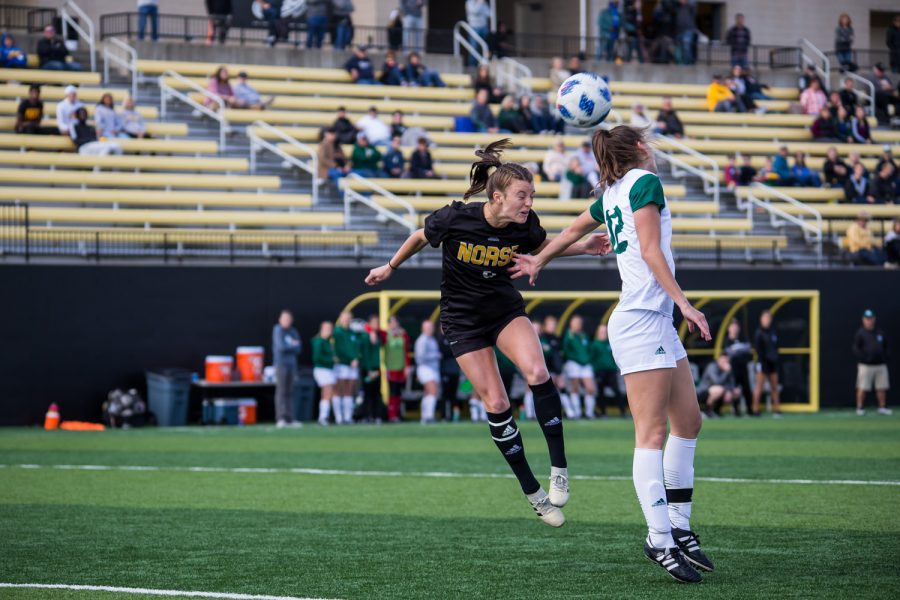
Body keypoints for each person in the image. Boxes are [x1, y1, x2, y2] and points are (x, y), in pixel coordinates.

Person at [365, 139, 613, 527]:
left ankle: (559, 467)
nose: (529, 203)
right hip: (462, 319)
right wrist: (390, 267)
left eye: (532, 195)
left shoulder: (524, 225)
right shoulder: (455, 217)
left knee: (537, 372)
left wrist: (583, 247)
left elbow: (543, 246)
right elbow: (418, 237)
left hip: (502, 308)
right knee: (497, 403)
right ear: (496, 196)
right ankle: (533, 492)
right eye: (522, 195)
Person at [510, 124, 713, 582]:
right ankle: (659, 539)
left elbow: (570, 230)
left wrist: (541, 259)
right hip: (644, 318)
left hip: (651, 319)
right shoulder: (644, 183)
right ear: (640, 149)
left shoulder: (613, 192)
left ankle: (678, 527)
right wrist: (685, 303)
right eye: (649, 142)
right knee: (651, 433)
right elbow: (650, 251)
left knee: (689, 421)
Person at [853, 310, 892, 415]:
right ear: (863, 320)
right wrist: (865, 358)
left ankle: (882, 407)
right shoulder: (860, 333)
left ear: (874, 319)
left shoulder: (879, 333)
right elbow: (856, 349)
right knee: (862, 387)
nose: (869, 321)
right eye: (867, 319)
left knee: (882, 387)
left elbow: (886, 347)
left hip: (880, 364)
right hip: (866, 365)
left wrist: (884, 357)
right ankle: (860, 408)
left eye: (871, 319)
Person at [539, 316, 573, 421]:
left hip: (557, 369)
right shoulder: (541, 338)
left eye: (554, 325)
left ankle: (569, 412)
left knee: (561, 386)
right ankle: (545, 413)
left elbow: (559, 355)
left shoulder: (556, 338)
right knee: (548, 390)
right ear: (544, 326)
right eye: (550, 325)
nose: (552, 327)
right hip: (545, 369)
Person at [563, 315, 596, 420]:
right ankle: (577, 412)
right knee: (575, 388)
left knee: (590, 388)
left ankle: (589, 413)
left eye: (579, 322)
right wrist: (575, 358)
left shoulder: (584, 335)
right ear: (571, 324)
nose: (578, 325)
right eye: (575, 322)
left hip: (586, 364)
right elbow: (565, 350)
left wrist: (588, 358)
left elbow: (590, 349)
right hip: (574, 364)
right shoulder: (568, 335)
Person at [272, 309, 301, 428]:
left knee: (290, 392)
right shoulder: (277, 330)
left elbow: (299, 348)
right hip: (281, 365)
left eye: (288, 319)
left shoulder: (293, 331)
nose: (286, 321)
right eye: (284, 319)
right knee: (281, 392)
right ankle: (280, 418)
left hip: (292, 365)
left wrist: (292, 345)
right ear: (280, 320)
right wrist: (292, 345)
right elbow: (281, 347)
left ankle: (290, 418)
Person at [591, 323, 626, 417]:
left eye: (605, 331)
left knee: (617, 391)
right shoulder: (594, 344)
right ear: (598, 332)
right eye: (602, 331)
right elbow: (591, 358)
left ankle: (623, 411)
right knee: (601, 392)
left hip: (611, 371)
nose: (603, 333)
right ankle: (603, 412)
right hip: (600, 371)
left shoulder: (609, 343)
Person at [751, 310, 781, 417]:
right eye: (765, 318)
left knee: (774, 387)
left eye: (768, 318)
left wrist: (775, 358)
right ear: (761, 319)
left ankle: (777, 410)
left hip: (772, 364)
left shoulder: (773, 332)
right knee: (759, 387)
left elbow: (776, 348)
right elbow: (759, 350)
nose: (767, 320)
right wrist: (764, 360)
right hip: (763, 363)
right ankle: (755, 410)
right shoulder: (759, 333)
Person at [332, 311, 360, 425]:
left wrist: (356, 358)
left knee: (349, 391)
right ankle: (339, 418)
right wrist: (351, 358)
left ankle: (348, 417)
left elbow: (357, 348)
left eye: (349, 318)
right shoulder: (337, 332)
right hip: (341, 365)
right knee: (339, 391)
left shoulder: (353, 333)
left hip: (352, 365)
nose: (346, 320)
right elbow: (340, 349)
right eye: (344, 318)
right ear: (340, 318)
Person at [383, 316, 410, 422]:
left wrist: (407, 366)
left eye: (395, 322)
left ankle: (398, 414)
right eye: (392, 323)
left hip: (401, 368)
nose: (394, 325)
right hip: (391, 368)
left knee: (399, 392)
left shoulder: (403, 335)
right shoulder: (386, 335)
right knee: (393, 392)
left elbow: (406, 351)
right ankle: (392, 414)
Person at [722, 319, 752, 414]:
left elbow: (748, 349)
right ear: (729, 328)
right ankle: (736, 410)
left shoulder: (743, 338)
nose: (734, 329)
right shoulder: (727, 341)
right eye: (732, 327)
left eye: (736, 327)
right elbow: (729, 353)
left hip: (743, 367)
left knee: (747, 388)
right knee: (734, 389)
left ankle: (750, 410)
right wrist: (740, 350)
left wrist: (736, 350)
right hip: (733, 369)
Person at [415, 320, 441, 423]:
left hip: (433, 369)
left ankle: (425, 416)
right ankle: (429, 416)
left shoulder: (432, 339)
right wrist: (435, 356)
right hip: (425, 368)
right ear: (423, 328)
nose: (430, 329)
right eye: (428, 327)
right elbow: (420, 358)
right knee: (432, 391)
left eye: (431, 327)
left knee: (428, 392)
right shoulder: (422, 340)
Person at [311, 321, 337, 426]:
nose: (329, 331)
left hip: (328, 370)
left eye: (330, 329)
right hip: (322, 370)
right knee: (327, 393)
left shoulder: (328, 342)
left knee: (328, 394)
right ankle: (323, 418)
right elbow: (316, 358)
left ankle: (324, 417)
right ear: (321, 329)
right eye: (326, 328)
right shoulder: (319, 341)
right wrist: (332, 360)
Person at [358, 315, 383, 423]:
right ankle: (366, 416)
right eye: (374, 323)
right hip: (368, 369)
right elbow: (365, 354)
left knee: (376, 393)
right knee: (367, 393)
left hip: (376, 368)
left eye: (377, 323)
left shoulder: (377, 335)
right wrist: (368, 370)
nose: (376, 325)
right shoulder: (364, 336)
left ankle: (376, 416)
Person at [438, 325, 461, 421]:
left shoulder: (454, 338)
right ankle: (444, 416)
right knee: (445, 395)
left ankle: (452, 416)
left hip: (455, 371)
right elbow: (445, 352)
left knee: (453, 395)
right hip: (445, 371)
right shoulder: (440, 340)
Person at [466, 0, 491, 66]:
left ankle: (485, 64)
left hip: (484, 27)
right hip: (474, 27)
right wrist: (479, 3)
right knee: (473, 47)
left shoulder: (483, 3)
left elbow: (488, 13)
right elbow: (475, 11)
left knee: (486, 46)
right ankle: (472, 66)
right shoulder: (469, 2)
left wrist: (483, 4)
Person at [674, 0, 696, 65]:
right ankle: (680, 65)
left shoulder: (691, 4)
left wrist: (686, 2)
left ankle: (687, 65)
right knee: (678, 50)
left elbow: (693, 4)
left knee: (686, 47)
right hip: (678, 30)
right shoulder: (677, 5)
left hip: (688, 29)